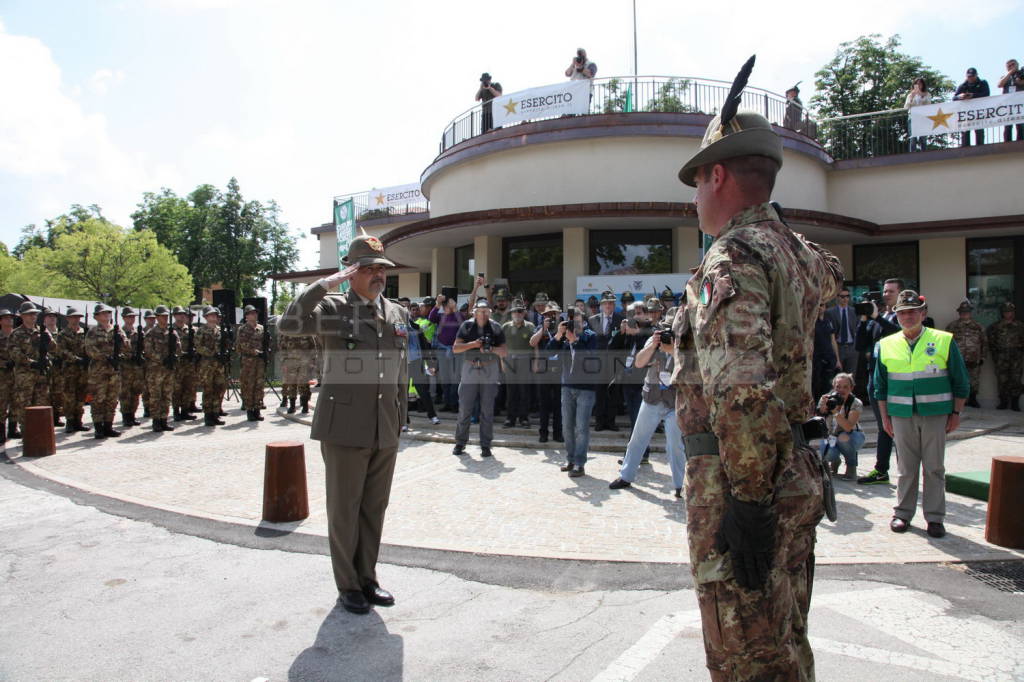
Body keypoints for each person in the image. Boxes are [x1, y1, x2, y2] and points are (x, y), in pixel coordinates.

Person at [673, 76, 843, 680]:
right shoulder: (791, 251)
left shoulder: (733, 257)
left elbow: (742, 393)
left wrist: (745, 503)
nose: (694, 198)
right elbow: (831, 272)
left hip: (743, 481)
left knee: (748, 655)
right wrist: (775, 222)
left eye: (697, 181)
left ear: (717, 176)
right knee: (787, 635)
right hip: (794, 472)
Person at [279, 233, 409, 615]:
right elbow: (289, 325)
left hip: (385, 425)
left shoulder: (398, 313)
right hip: (344, 425)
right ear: (350, 273)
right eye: (367, 269)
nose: (376, 275)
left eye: (380, 269)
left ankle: (368, 577)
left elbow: (402, 369)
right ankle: (347, 585)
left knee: (374, 508)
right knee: (344, 508)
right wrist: (322, 285)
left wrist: (401, 417)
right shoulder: (333, 308)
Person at [876, 290, 970, 538]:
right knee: (906, 468)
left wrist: (957, 412)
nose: (907, 317)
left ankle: (935, 518)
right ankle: (902, 514)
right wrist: (885, 418)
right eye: (902, 313)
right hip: (901, 414)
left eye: (912, 312)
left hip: (935, 413)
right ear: (896, 316)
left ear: (922, 313)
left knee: (934, 467)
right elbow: (879, 387)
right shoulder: (886, 344)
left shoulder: (943, 340)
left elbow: (961, 380)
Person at [609, 320, 686, 496]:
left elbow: (688, 365)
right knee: (638, 439)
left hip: (674, 400)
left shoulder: (684, 344)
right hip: (652, 397)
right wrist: (653, 346)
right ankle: (626, 476)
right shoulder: (653, 341)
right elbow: (639, 362)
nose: (666, 335)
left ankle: (679, 485)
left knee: (675, 444)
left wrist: (673, 350)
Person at [855, 278, 903, 485]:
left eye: (890, 291)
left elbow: (898, 332)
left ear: (900, 293)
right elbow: (860, 345)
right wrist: (865, 320)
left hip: (896, 377)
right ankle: (881, 469)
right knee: (884, 425)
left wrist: (876, 317)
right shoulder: (880, 316)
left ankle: (906, 470)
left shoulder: (905, 315)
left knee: (901, 426)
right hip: (875, 376)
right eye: (884, 291)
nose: (886, 295)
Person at [547, 308, 597, 477]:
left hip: (586, 388)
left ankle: (580, 463)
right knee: (567, 426)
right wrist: (558, 335)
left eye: (576, 319)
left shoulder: (590, 336)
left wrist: (575, 341)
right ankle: (570, 459)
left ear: (583, 320)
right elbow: (549, 353)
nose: (572, 322)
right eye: (570, 319)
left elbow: (591, 358)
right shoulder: (565, 336)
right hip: (567, 386)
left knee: (581, 428)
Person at [452, 299, 506, 457]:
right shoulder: (467, 326)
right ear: (474, 312)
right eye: (480, 311)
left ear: (489, 312)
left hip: (489, 367)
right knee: (465, 408)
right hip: (470, 367)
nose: (483, 314)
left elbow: (504, 351)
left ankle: (486, 445)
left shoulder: (496, 327)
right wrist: (473, 345)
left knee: (487, 410)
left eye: (486, 311)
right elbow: (455, 348)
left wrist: (491, 349)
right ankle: (460, 443)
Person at [9, 301, 52, 440]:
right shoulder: (16, 334)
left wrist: (48, 340)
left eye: (34, 314)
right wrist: (31, 363)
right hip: (25, 375)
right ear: (22, 316)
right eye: (29, 314)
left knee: (41, 403)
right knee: (25, 405)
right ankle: (27, 435)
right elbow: (15, 353)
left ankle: (39, 434)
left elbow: (54, 349)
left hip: (41, 375)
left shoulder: (42, 331)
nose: (32, 317)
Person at [608, 300, 652, 436]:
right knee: (633, 419)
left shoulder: (651, 330)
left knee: (639, 418)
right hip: (628, 381)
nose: (635, 316)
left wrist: (637, 333)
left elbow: (648, 352)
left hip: (643, 382)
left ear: (646, 315)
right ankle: (635, 454)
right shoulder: (628, 331)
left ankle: (639, 454)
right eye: (632, 314)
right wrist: (621, 333)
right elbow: (611, 348)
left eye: (638, 313)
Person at [85, 304, 127, 439]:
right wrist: (106, 357)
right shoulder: (93, 331)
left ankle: (108, 426)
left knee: (112, 399)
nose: (106, 315)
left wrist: (122, 341)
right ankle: (98, 427)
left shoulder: (117, 330)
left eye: (108, 313)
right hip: (99, 371)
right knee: (98, 399)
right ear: (96, 317)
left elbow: (127, 347)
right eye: (103, 313)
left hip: (114, 371)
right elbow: (90, 350)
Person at [815, 372, 864, 479]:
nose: (841, 390)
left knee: (843, 438)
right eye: (838, 387)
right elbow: (818, 416)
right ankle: (835, 461)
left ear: (851, 388)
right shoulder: (826, 399)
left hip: (853, 436)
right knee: (827, 452)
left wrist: (835, 412)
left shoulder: (855, 403)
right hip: (831, 436)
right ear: (833, 387)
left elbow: (848, 427)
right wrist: (822, 407)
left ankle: (851, 466)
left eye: (845, 387)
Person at [530, 301, 564, 444]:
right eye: (548, 315)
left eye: (553, 314)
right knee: (544, 404)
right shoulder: (540, 327)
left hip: (559, 369)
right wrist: (542, 329)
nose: (551, 317)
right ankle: (543, 433)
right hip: (544, 369)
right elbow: (532, 343)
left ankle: (558, 433)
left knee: (558, 404)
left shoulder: (563, 326)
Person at [588, 290, 623, 432]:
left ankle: (611, 421)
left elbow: (623, 342)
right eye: (606, 303)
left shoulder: (621, 320)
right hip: (598, 363)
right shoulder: (592, 320)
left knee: (614, 393)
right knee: (599, 392)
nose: (608, 305)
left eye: (611, 303)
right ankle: (599, 422)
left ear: (614, 305)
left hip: (615, 363)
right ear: (601, 305)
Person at [144, 305, 179, 433]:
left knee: (167, 394)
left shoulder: (172, 332)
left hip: (168, 369)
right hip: (156, 369)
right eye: (162, 316)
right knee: (155, 396)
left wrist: (174, 355)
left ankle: (164, 419)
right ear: (157, 318)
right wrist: (161, 358)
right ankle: (156, 421)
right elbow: (148, 351)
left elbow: (178, 348)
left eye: (166, 316)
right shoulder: (151, 333)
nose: (165, 318)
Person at [428, 292, 465, 412]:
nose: (446, 308)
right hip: (442, 350)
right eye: (444, 306)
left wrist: (455, 309)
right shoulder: (440, 316)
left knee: (456, 378)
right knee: (445, 378)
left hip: (456, 350)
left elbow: (462, 324)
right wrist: (437, 304)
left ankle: (454, 404)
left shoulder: (457, 315)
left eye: (447, 306)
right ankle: (447, 403)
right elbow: (431, 318)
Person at [501, 298, 535, 428]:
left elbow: (535, 347)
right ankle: (510, 418)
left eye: (520, 311)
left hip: (525, 362)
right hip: (509, 362)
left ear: (524, 313)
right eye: (515, 312)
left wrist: (535, 362)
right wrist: (501, 362)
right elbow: (501, 346)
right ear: (511, 313)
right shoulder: (505, 327)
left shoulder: (530, 326)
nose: (518, 314)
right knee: (511, 392)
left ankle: (524, 418)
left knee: (524, 391)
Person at [406, 305, 441, 427]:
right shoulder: (395, 328)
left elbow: (425, 347)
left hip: (416, 362)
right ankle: (404, 421)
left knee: (423, 391)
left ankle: (433, 416)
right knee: (401, 393)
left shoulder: (417, 327)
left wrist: (431, 365)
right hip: (402, 364)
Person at [945, 300, 985, 408]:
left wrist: (982, 357)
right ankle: (959, 401)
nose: (964, 314)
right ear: (959, 313)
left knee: (974, 380)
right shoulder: (952, 326)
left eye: (967, 312)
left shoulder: (978, 326)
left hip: (974, 358)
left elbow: (984, 342)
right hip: (958, 359)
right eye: (962, 312)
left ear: (970, 312)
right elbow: (946, 343)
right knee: (958, 380)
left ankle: (972, 399)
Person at [59, 307, 92, 433]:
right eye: (73, 317)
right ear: (68, 318)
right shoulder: (63, 334)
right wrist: (76, 359)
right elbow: (62, 351)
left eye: (78, 317)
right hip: (69, 370)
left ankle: (78, 420)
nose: (76, 319)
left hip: (83, 370)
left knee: (81, 396)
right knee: (69, 396)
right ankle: (70, 421)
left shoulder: (84, 332)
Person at [987, 301, 1024, 411]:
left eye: (1010, 311)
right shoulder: (995, 327)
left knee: (1016, 380)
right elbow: (991, 342)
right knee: (1002, 380)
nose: (1008, 314)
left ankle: (1015, 404)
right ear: (1002, 313)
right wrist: (996, 356)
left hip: (1016, 358)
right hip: (1001, 358)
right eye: (1006, 312)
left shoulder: (1020, 326)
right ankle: (1003, 402)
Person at [195, 307, 228, 426]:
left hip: (218, 365)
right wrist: (212, 353)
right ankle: (208, 415)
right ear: (206, 317)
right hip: (207, 365)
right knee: (208, 389)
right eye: (210, 315)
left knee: (218, 388)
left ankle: (215, 413)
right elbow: (198, 347)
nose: (213, 317)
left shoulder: (219, 330)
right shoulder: (201, 330)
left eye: (215, 315)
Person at [237, 305, 267, 421]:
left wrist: (265, 352)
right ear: (246, 316)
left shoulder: (261, 328)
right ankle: (250, 410)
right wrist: (256, 352)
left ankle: (257, 409)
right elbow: (242, 345)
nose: (254, 315)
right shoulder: (243, 329)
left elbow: (266, 342)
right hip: (248, 361)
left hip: (259, 361)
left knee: (259, 385)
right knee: (249, 385)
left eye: (255, 313)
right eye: (251, 313)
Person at [118, 308, 145, 428]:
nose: (131, 319)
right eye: (129, 317)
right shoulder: (119, 332)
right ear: (123, 318)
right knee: (125, 392)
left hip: (136, 367)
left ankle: (132, 415)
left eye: (133, 317)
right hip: (124, 367)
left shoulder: (138, 332)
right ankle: (126, 416)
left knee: (135, 392)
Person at [279, 332, 318, 414]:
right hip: (291, 362)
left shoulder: (306, 331)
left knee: (304, 384)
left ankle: (305, 405)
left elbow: (313, 347)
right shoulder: (287, 332)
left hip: (304, 363)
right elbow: (282, 348)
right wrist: (283, 362)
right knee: (292, 384)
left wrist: (312, 361)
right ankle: (292, 406)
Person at [171, 306, 197, 422]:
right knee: (177, 388)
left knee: (188, 387)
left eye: (183, 314)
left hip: (189, 363)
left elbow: (197, 344)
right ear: (174, 316)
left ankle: (185, 410)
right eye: (178, 314)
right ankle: (176, 411)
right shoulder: (171, 330)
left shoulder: (191, 330)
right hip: (177, 364)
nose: (181, 316)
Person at [826, 287, 859, 376]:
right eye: (842, 296)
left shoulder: (854, 311)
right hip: (838, 347)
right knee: (838, 376)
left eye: (847, 296)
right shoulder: (830, 312)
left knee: (851, 376)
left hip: (852, 347)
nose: (845, 299)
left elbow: (858, 328)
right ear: (837, 297)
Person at [954, 68, 990, 146]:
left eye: (972, 76)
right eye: (969, 76)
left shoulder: (983, 83)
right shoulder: (963, 85)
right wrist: (960, 96)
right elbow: (954, 98)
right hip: (966, 113)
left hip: (979, 112)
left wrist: (973, 95)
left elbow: (986, 94)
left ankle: (980, 149)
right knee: (965, 132)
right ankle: (965, 149)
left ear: (976, 75)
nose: (970, 78)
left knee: (979, 132)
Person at [41, 308, 64, 427]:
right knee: (45, 394)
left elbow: (64, 349)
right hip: (46, 368)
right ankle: (46, 417)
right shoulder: (41, 333)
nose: (52, 318)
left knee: (58, 393)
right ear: (44, 319)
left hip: (59, 369)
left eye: (54, 316)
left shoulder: (61, 333)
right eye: (49, 316)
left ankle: (56, 416)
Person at [812, 303, 841, 399]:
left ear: (825, 307)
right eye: (818, 305)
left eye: (822, 305)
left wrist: (837, 359)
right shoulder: (811, 321)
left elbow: (833, 340)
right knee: (816, 385)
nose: (820, 307)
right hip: (816, 358)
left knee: (828, 385)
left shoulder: (828, 321)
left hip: (829, 358)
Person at [997, 58, 1024, 142]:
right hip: (1008, 106)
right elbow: (1000, 85)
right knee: (1007, 126)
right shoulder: (1006, 77)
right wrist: (1010, 73)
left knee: (1020, 126)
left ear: (1017, 65)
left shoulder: (1022, 74)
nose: (1011, 66)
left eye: (1013, 64)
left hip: (1020, 105)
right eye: (1009, 66)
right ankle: (1007, 143)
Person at [0, 309, 14, 446]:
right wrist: (4, 363)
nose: (9, 320)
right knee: (2, 403)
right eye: (6, 318)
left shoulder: (16, 335)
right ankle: (1, 431)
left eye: (10, 318)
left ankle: (12, 429)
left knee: (17, 401)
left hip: (18, 374)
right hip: (3, 376)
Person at [905, 78, 930, 151]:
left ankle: (924, 154)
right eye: (917, 84)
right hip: (913, 117)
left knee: (923, 138)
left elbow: (929, 105)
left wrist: (922, 96)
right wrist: (912, 98)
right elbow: (906, 106)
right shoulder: (910, 95)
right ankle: (912, 155)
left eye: (920, 84)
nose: (919, 85)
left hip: (922, 117)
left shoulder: (927, 94)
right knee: (913, 138)